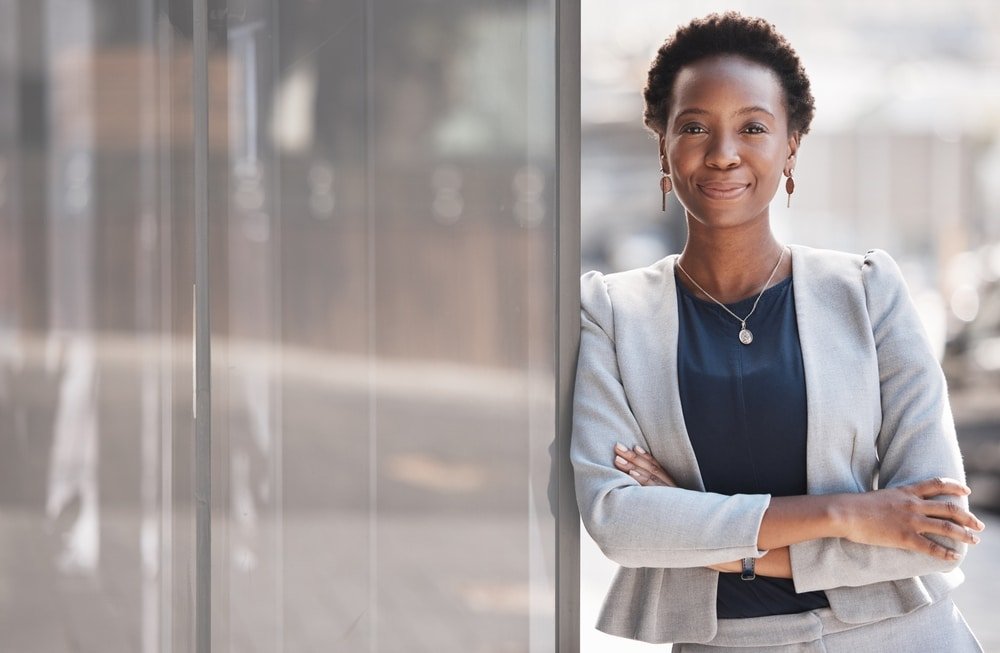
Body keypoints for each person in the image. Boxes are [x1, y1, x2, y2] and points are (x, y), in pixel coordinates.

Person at [571, 12, 985, 652]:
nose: (723, 152)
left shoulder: (868, 293)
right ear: (662, 141)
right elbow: (620, 522)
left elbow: (937, 530)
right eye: (695, 126)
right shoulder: (611, 313)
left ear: (791, 143)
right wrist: (850, 514)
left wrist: (710, 539)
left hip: (897, 638)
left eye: (754, 127)